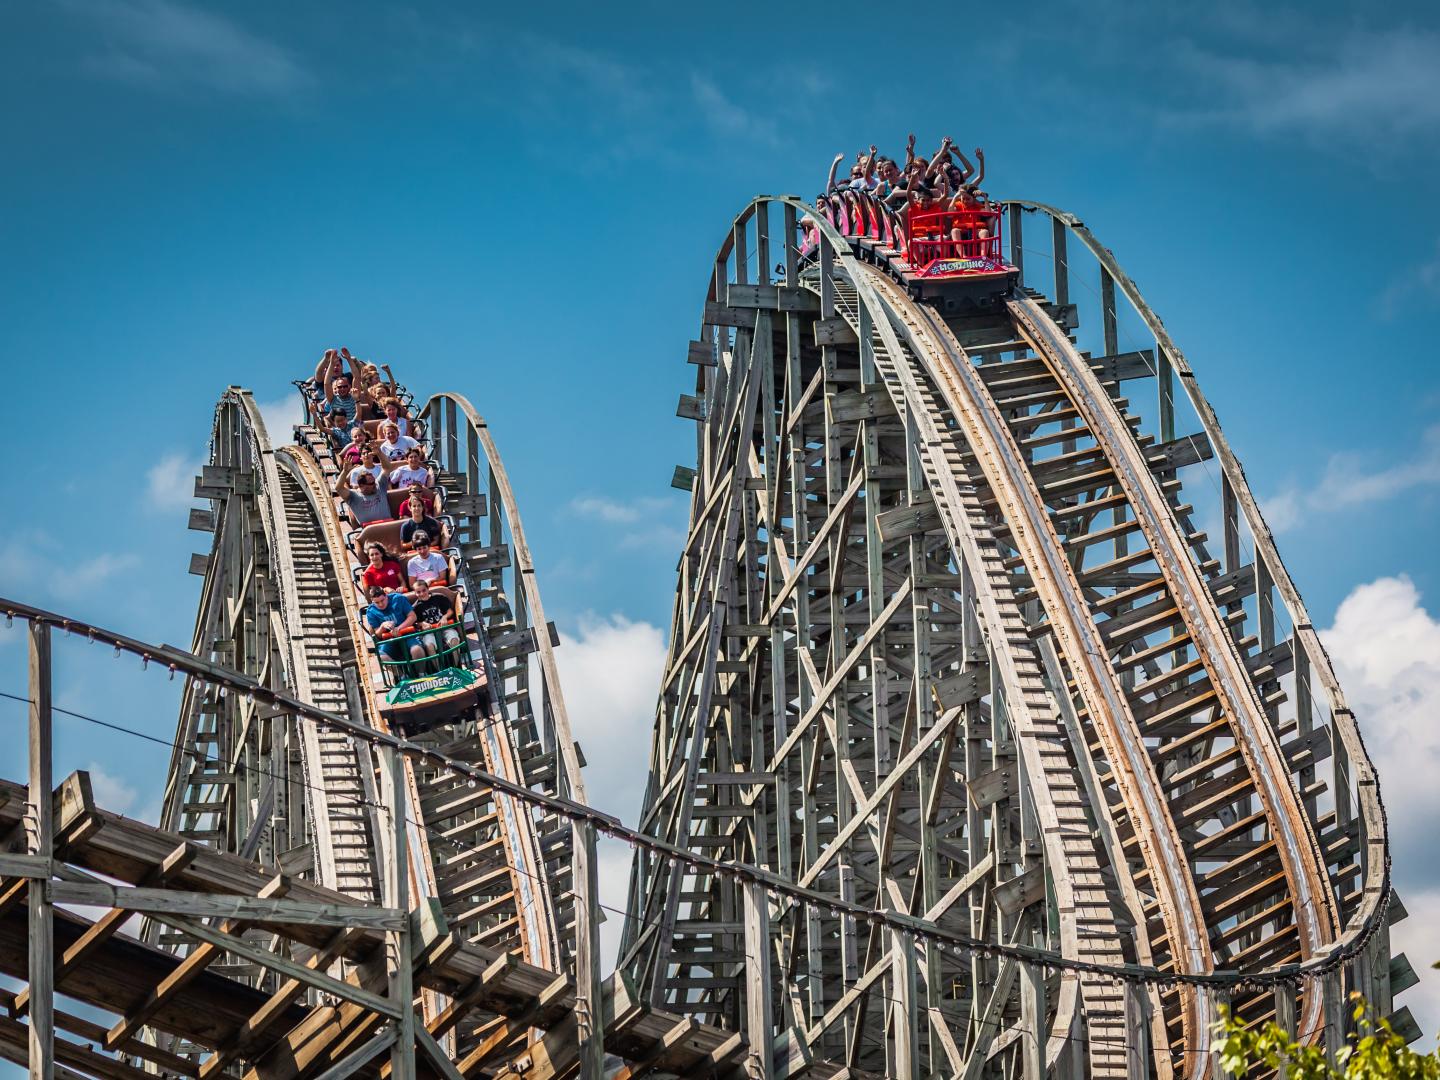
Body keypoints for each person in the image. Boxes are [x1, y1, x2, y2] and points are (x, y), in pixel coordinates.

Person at [363, 585, 425, 674]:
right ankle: (402, 676)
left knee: (416, 650)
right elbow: (378, 634)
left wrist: (399, 628)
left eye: (382, 600)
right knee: (381, 657)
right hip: (389, 639)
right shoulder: (371, 611)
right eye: (377, 602)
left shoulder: (398, 599)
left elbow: (412, 617)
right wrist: (382, 627)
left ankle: (421, 673)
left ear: (386, 596)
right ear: (372, 601)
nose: (381, 604)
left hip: (407, 634)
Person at [410, 578, 463, 665]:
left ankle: (456, 665)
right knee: (429, 645)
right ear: (415, 593)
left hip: (444, 626)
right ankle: (439, 669)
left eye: (424, 590)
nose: (422, 594)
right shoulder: (416, 607)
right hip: (429, 631)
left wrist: (444, 617)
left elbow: (450, 611)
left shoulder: (439, 597)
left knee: (454, 639)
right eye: (418, 592)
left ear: (428, 589)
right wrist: (422, 623)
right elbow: (416, 622)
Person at [335, 463, 393, 528]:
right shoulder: (353, 495)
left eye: (374, 481)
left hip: (388, 527)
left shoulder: (379, 486)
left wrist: (379, 453)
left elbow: (387, 468)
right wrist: (345, 471)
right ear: (362, 486)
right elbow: (338, 488)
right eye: (371, 483)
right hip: (369, 532)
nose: (375, 485)